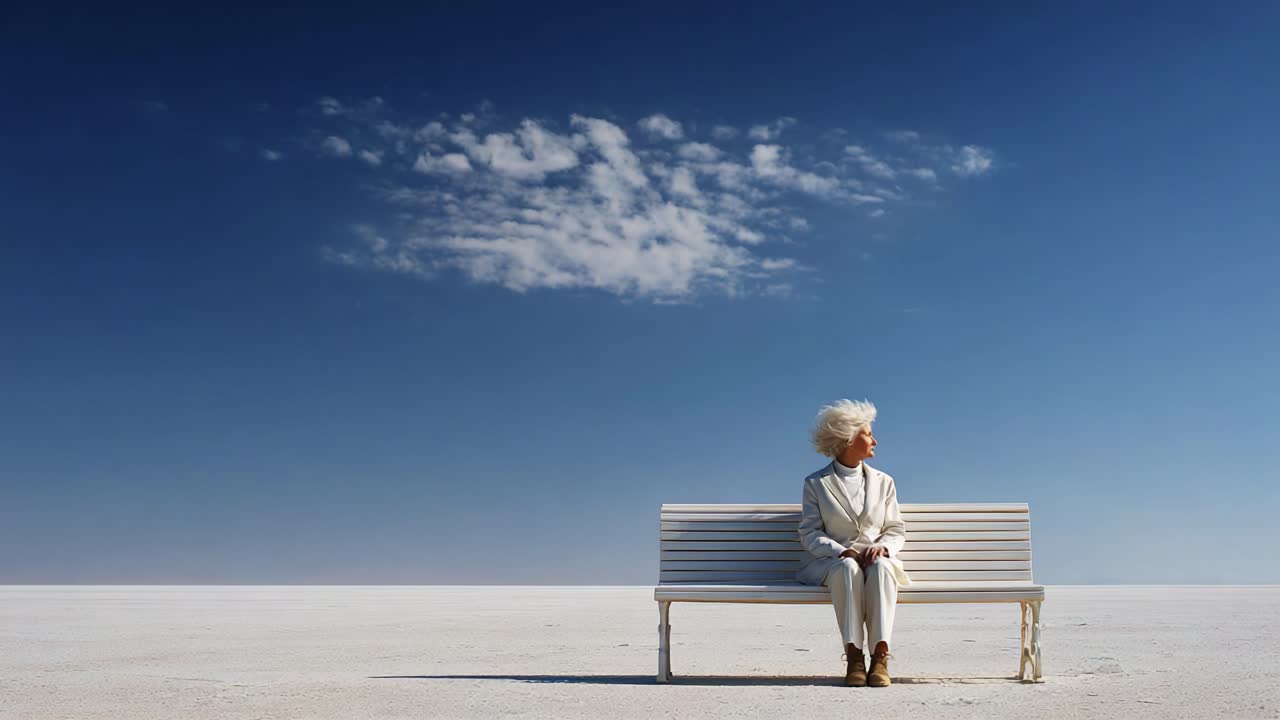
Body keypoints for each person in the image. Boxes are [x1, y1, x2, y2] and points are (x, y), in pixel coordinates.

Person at [796, 399, 911, 687]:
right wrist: (840, 550)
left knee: (882, 568)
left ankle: (880, 657)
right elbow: (810, 534)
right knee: (848, 568)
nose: (875, 440)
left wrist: (883, 547)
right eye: (868, 433)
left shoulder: (885, 482)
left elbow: (896, 528)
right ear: (848, 438)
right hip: (833, 565)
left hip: (875, 564)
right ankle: (855, 658)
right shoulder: (816, 484)